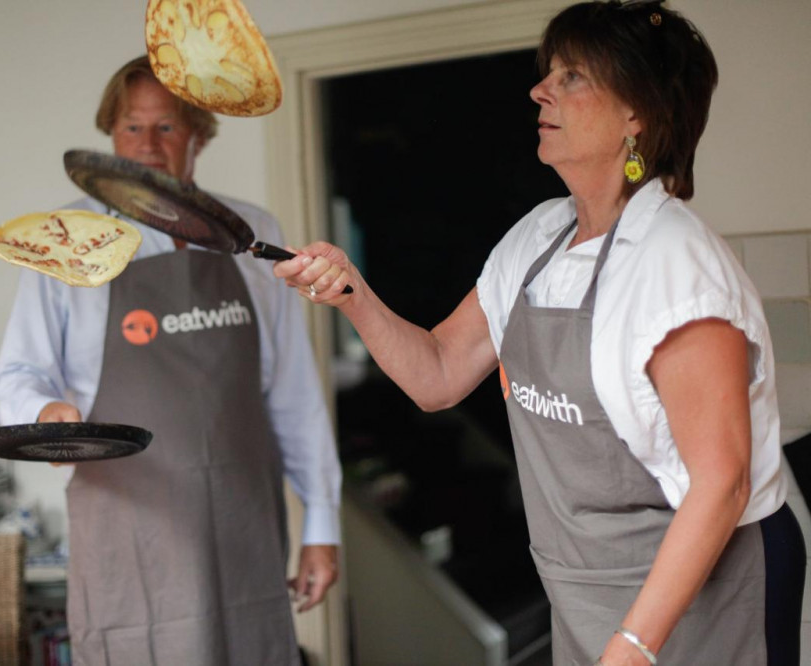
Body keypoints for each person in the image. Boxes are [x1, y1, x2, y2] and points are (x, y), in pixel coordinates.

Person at [273, 2, 806, 664]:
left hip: (702, 579)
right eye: (549, 72)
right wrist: (350, 291)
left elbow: (720, 483)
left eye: (573, 76)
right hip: (582, 579)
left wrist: (633, 648)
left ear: (636, 115)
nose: (539, 89)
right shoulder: (539, 235)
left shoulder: (677, 269)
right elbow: (437, 374)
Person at [0, 55, 342, 666]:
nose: (147, 147)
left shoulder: (253, 233)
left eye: (167, 128)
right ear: (109, 134)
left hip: (243, 521)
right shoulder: (66, 240)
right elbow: (19, 373)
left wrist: (321, 525)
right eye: (132, 127)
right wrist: (46, 412)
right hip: (131, 524)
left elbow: (293, 393)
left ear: (199, 135)